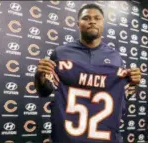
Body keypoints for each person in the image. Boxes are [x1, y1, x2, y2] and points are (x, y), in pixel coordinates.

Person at [35, 3, 141, 143]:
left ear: (103, 23)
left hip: (103, 136)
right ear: (78, 23)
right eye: (86, 18)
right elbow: (45, 91)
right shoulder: (61, 53)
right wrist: (39, 75)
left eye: (97, 18)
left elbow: (120, 96)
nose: (92, 21)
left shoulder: (115, 58)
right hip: (67, 137)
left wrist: (132, 84)